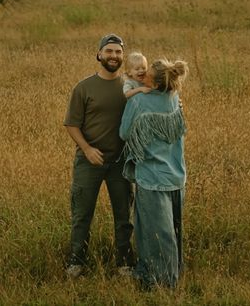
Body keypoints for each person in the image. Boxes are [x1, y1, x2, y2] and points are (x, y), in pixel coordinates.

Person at [63, 34, 135, 278]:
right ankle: (76, 262)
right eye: (109, 51)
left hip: (121, 162)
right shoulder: (84, 87)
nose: (113, 56)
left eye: (118, 52)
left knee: (124, 216)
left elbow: (157, 96)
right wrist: (87, 149)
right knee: (82, 214)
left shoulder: (130, 86)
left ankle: (124, 263)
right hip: (89, 161)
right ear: (99, 55)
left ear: (123, 57)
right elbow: (72, 124)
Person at [119, 58, 188, 290]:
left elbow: (124, 132)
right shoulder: (174, 98)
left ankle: (161, 282)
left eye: (146, 73)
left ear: (156, 84)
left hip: (152, 177)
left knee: (155, 233)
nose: (142, 75)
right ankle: (171, 272)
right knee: (173, 230)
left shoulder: (140, 101)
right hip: (177, 175)